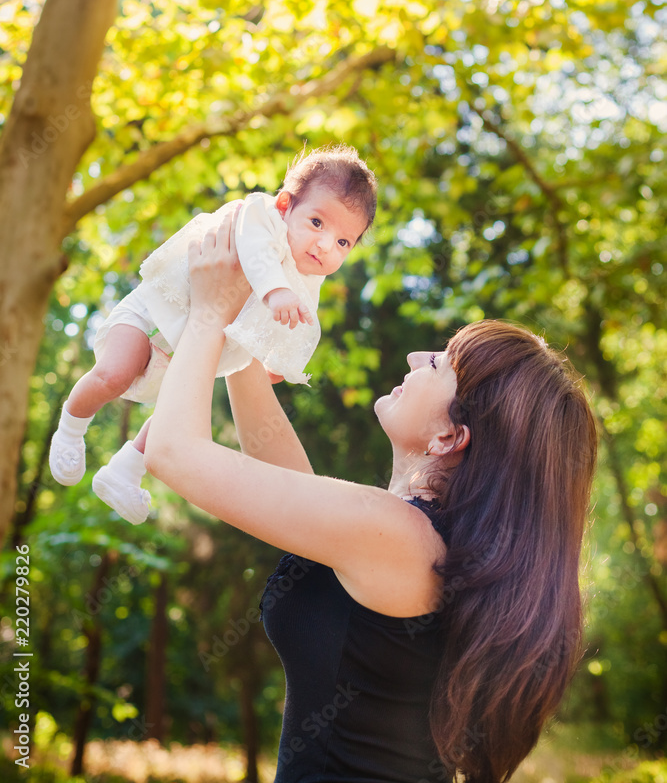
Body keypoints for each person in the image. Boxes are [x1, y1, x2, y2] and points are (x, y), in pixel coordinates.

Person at [142, 210, 598, 783]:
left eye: (437, 363)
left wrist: (209, 310)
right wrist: (246, 327)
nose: (414, 359)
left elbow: (172, 453)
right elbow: (294, 486)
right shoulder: (408, 538)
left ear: (451, 436)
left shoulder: (398, 538)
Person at [49, 145, 376, 525]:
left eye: (343, 243)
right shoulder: (262, 216)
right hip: (155, 314)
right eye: (318, 223)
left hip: (190, 347)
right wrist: (275, 292)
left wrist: (276, 359)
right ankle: (72, 427)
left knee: (182, 409)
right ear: (286, 204)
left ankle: (126, 470)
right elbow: (256, 255)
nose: (325, 246)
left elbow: (298, 321)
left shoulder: (307, 275)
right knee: (114, 372)